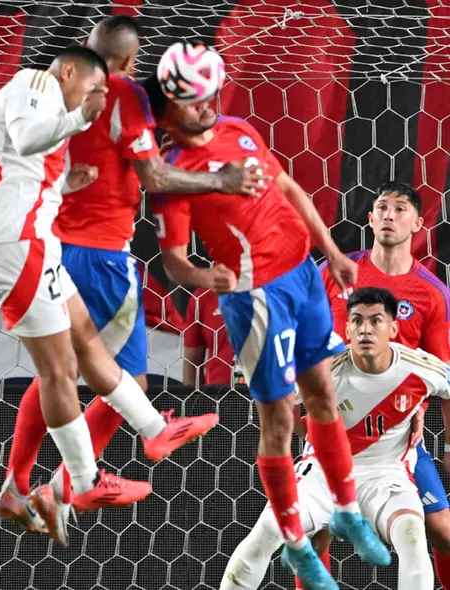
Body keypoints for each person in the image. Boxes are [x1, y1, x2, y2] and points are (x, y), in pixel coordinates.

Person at [0, 17, 259, 527]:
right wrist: (219, 177)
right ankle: (72, 483)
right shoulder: (123, 95)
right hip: (100, 259)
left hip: (52, 246)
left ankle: (17, 483)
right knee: (127, 378)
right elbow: (155, 173)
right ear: (128, 63)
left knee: (61, 372)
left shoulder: (56, 91)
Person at [144, 60, 389, 587]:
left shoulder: (238, 129)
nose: (207, 106)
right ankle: (297, 544)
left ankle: (346, 510)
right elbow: (172, 261)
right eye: (193, 100)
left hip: (302, 277)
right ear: (168, 111)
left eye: (210, 94)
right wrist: (206, 276)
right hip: (255, 300)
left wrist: (330, 249)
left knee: (324, 394)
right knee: (279, 420)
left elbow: (291, 189)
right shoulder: (174, 175)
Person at [0, 44, 218, 547]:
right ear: (71, 71)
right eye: (94, 88)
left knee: (84, 342)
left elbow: (17, 164)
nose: (100, 98)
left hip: (38, 242)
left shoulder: (48, 103)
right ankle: (83, 482)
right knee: (58, 370)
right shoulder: (36, 86)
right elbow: (26, 138)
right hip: (22, 245)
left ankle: (152, 430)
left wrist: (66, 176)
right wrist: (80, 116)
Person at [221, 287, 440, 590]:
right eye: (357, 321)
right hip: (322, 473)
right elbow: (275, 397)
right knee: (268, 530)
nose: (366, 329)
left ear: (393, 328)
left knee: (413, 536)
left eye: (376, 321)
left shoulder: (419, 368)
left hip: (386, 474)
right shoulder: (324, 370)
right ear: (346, 328)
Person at [305, 181, 450, 587]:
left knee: (443, 532)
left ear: (419, 223)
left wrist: (428, 421)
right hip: (331, 427)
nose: (389, 215)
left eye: (400, 208)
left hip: (395, 437)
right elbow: (306, 338)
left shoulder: (432, 294)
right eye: (382, 208)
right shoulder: (337, 272)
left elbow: (442, 373)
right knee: (313, 536)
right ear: (369, 219)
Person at [183, 287, 237, 386]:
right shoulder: (203, 296)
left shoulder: (271, 290)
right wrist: (192, 400)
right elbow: (192, 364)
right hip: (217, 395)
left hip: (266, 395)